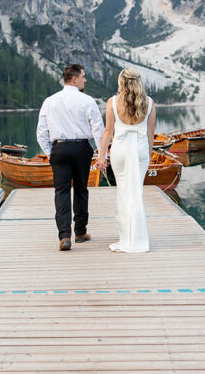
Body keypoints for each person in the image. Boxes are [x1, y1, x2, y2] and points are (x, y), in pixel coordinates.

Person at [37, 63, 105, 251]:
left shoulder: (49, 101)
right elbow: (98, 129)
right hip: (82, 148)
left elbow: (41, 131)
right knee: (82, 189)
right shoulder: (87, 101)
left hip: (59, 149)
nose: (85, 80)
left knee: (62, 192)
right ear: (74, 79)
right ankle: (80, 232)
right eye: (83, 76)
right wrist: (101, 153)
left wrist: (49, 153)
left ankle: (64, 236)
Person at [96, 68, 156, 253]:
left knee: (123, 192)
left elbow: (108, 131)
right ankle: (137, 238)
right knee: (136, 193)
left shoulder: (112, 102)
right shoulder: (149, 103)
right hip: (140, 150)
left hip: (120, 150)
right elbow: (150, 134)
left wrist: (101, 156)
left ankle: (126, 238)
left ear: (121, 82)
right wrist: (149, 154)